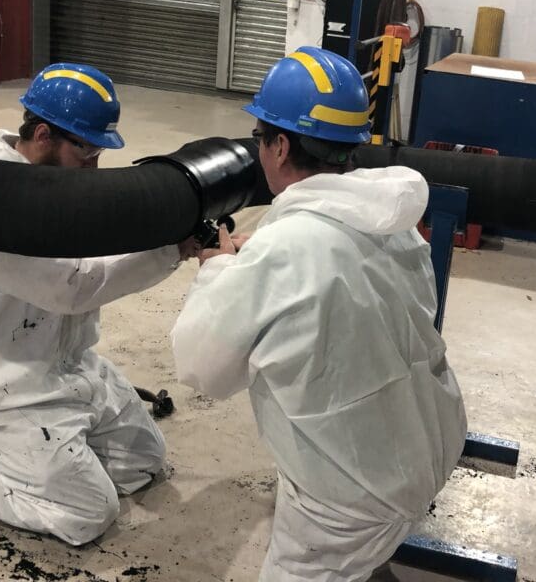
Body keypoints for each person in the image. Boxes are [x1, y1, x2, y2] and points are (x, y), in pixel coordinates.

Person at [170, 47, 468, 581]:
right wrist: (255, 262)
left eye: (262, 138)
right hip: (430, 443)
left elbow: (201, 369)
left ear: (280, 146)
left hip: (353, 496)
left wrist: (218, 273)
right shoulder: (390, 219)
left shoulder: (283, 252)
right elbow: (325, 276)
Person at [0, 63, 199, 546]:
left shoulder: (49, 189)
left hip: (63, 364)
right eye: (86, 151)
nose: (94, 167)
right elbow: (71, 288)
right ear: (45, 134)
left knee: (143, 462)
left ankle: (37, 456)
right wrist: (170, 252)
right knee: (88, 514)